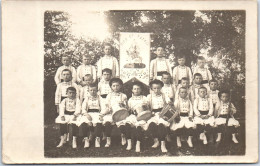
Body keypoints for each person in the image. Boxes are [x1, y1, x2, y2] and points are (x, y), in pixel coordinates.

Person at [146, 79, 172, 153]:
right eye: (154, 88)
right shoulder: (149, 96)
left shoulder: (164, 95)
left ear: (161, 88)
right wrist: (145, 106)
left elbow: (168, 102)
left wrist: (169, 102)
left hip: (163, 113)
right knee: (151, 124)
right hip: (153, 114)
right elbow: (146, 106)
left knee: (161, 125)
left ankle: (163, 143)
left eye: (158, 88)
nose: (156, 90)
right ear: (151, 88)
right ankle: (156, 140)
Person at [101, 78, 127, 147]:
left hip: (120, 113)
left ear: (121, 86)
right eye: (114, 86)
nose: (116, 87)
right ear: (111, 87)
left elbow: (125, 106)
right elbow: (107, 104)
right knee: (107, 123)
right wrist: (109, 108)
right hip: (111, 112)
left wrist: (123, 105)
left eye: (117, 85)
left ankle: (123, 136)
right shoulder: (109, 95)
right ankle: (108, 139)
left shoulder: (123, 95)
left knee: (122, 124)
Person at [127, 81, 149, 152]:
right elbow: (129, 109)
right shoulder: (130, 99)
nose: (136, 90)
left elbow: (148, 109)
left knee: (139, 127)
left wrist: (145, 107)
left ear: (141, 90)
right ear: (132, 90)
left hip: (142, 115)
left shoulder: (144, 98)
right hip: (133, 115)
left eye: (138, 89)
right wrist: (130, 110)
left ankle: (138, 143)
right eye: (135, 89)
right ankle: (129, 142)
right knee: (127, 124)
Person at [80, 83, 103, 148]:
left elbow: (103, 107)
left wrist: (101, 115)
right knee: (84, 122)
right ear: (88, 91)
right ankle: (86, 139)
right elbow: (83, 108)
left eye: (94, 90)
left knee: (99, 122)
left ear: (97, 91)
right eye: (91, 90)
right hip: (88, 113)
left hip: (97, 113)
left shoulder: (99, 98)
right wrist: (86, 114)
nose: (93, 92)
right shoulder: (87, 98)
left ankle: (97, 139)